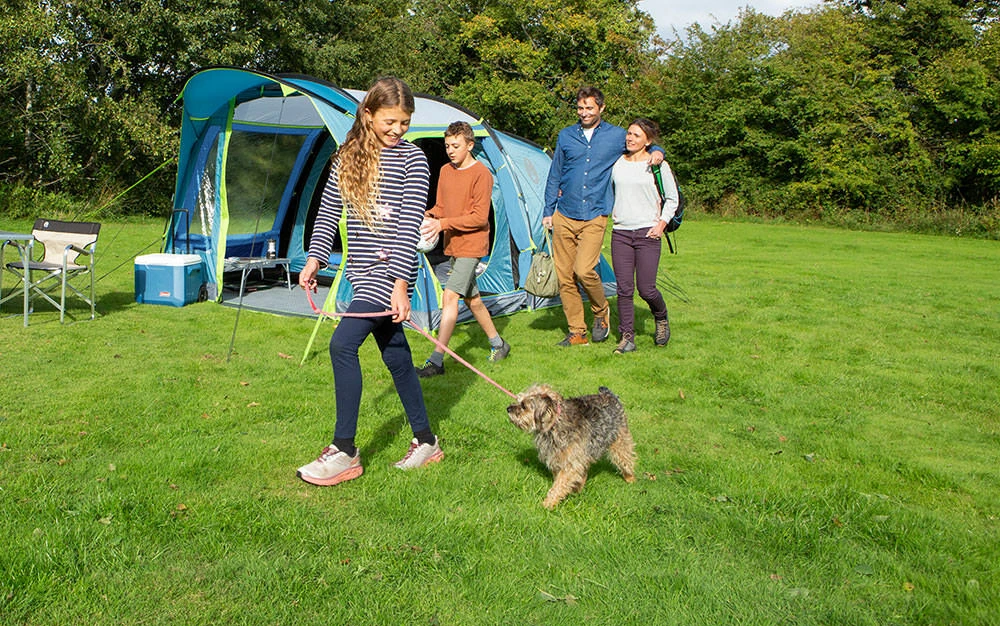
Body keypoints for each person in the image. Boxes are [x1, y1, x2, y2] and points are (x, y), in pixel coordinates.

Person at [296, 77, 442, 487]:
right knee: (396, 357)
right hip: (361, 273)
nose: (397, 130)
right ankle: (427, 440)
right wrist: (314, 257)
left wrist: (400, 283)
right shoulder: (347, 158)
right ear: (368, 114)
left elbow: (408, 225)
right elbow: (327, 213)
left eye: (405, 123)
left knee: (341, 345)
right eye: (390, 121)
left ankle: (344, 451)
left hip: (387, 273)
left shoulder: (414, 160)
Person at [543, 86, 663, 347]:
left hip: (595, 213)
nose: (584, 112)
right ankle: (577, 332)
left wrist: (658, 151)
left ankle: (601, 312)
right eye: (580, 108)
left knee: (584, 270)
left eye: (589, 108)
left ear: (601, 108)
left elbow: (641, 140)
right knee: (565, 277)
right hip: (564, 212)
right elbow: (555, 175)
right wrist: (547, 211)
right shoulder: (566, 136)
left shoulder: (617, 136)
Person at [416, 121, 511, 378]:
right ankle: (498, 345)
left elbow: (480, 218)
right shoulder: (446, 171)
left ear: (470, 145)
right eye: (447, 145)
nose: (450, 150)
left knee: (450, 297)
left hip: (472, 245)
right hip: (453, 245)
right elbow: (441, 207)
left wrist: (442, 224)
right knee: (474, 299)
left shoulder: (482, 175)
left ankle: (436, 361)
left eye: (455, 146)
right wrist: (429, 216)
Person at [609, 118, 676, 354]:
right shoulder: (617, 162)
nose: (630, 138)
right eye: (629, 134)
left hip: (648, 233)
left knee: (646, 289)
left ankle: (661, 316)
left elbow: (672, 198)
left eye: (636, 135)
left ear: (648, 141)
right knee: (624, 289)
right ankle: (627, 337)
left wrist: (661, 225)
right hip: (621, 233)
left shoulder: (657, 165)